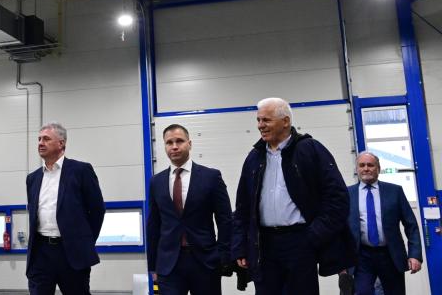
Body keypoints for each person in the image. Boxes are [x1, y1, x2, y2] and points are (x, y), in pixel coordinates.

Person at [232, 97, 354, 295]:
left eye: (266, 120)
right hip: (264, 245)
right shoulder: (254, 158)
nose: (260, 125)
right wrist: (240, 246)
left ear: (286, 121)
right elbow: (242, 208)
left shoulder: (310, 150)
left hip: (300, 242)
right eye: (258, 120)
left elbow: (338, 199)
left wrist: (314, 235)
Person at [146, 124, 233, 294]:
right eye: (169, 142)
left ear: (189, 144)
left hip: (205, 262)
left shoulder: (211, 177)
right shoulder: (156, 182)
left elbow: (225, 219)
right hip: (168, 265)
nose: (174, 146)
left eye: (179, 141)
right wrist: (153, 266)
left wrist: (223, 256)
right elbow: (153, 225)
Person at [26, 122, 106, 295]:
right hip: (40, 253)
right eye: (39, 139)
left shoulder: (81, 170)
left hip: (71, 253)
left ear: (61, 143)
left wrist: (83, 241)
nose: (40, 143)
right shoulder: (33, 178)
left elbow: (97, 210)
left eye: (46, 139)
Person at [345, 152, 422, 295]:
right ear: (357, 169)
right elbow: (339, 229)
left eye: (370, 165)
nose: (366, 168)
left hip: (390, 255)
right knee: (361, 292)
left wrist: (415, 255)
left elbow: (411, 225)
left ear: (378, 169)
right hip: (361, 256)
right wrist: (339, 261)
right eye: (362, 165)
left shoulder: (395, 191)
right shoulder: (347, 194)